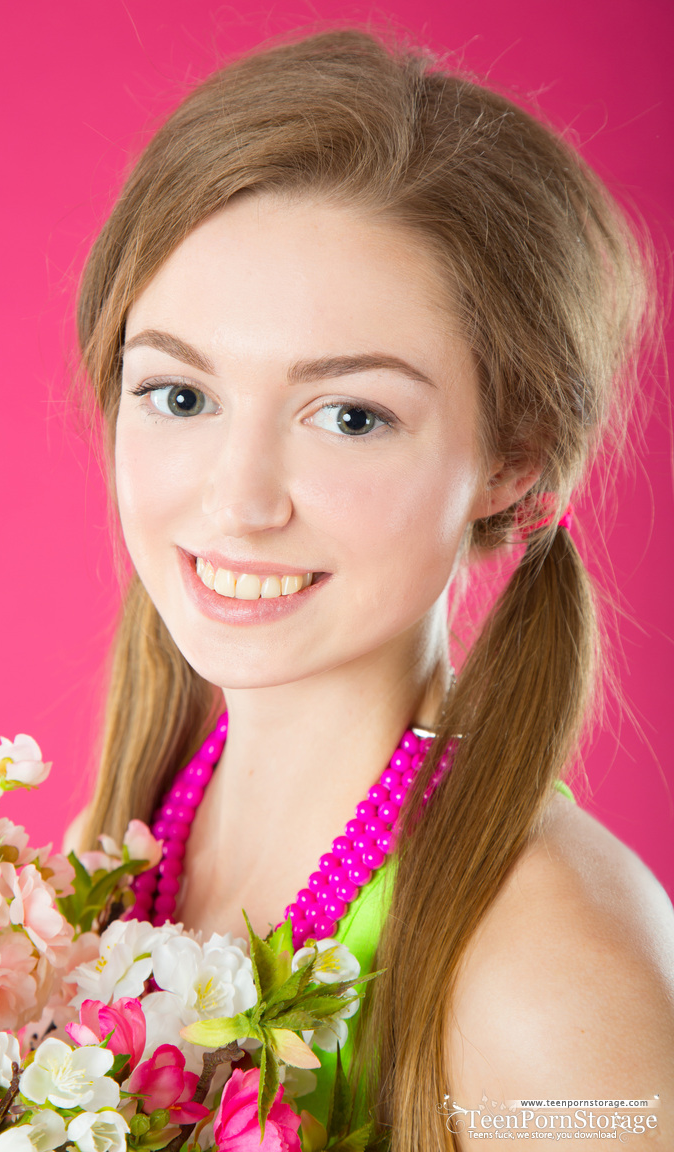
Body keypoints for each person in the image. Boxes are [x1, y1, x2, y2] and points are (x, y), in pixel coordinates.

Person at [66, 27, 674, 1150]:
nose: (238, 500)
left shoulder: (555, 978)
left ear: (514, 459)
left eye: (350, 416)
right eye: (180, 396)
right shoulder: (121, 846)